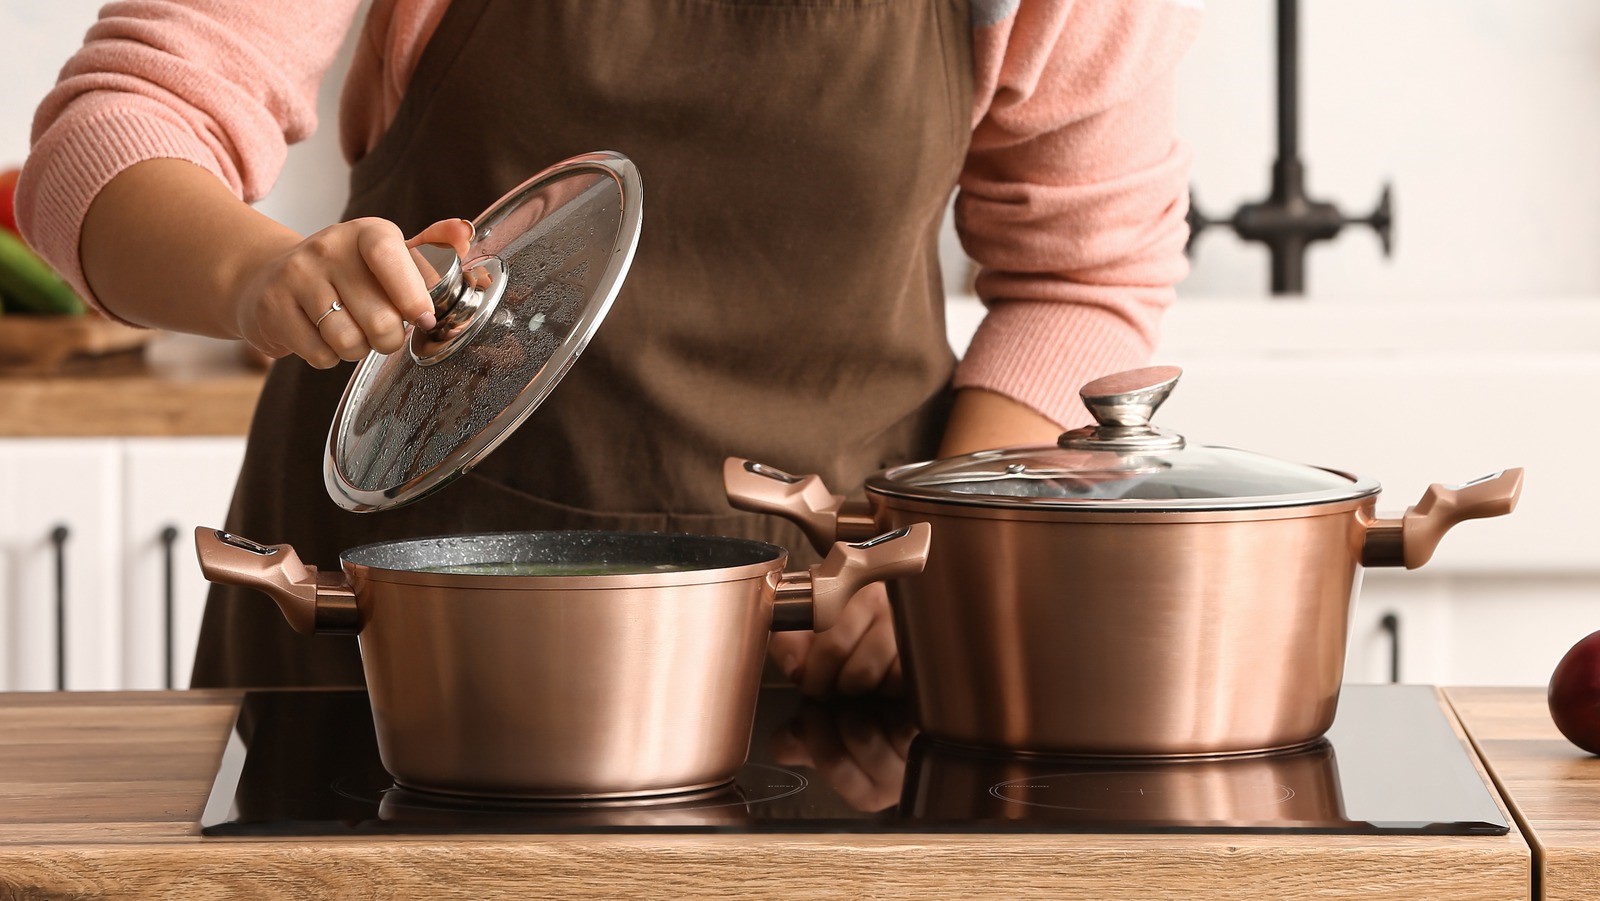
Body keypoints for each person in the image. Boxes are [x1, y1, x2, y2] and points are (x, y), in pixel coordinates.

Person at [18, 0, 1200, 696]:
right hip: (395, 647)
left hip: (824, 650)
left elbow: (1081, 277)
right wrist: (255, 273)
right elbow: (114, 132)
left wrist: (936, 545)